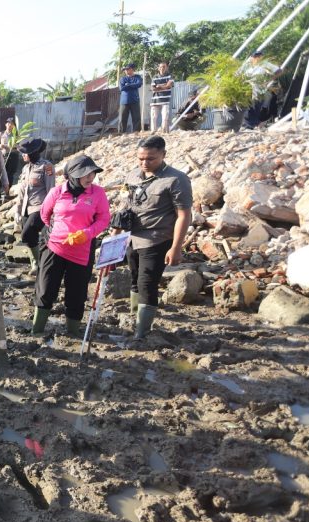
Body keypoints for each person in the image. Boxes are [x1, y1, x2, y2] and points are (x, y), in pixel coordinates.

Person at [117, 136, 193, 339]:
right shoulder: (133, 175)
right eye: (141, 158)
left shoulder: (176, 179)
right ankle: (135, 318)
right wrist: (116, 235)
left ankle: (142, 333)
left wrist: (176, 247)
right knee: (134, 279)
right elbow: (125, 205)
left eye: (150, 159)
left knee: (147, 284)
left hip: (157, 239)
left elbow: (184, 215)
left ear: (163, 155)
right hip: (132, 237)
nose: (144, 163)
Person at [32, 156, 110, 337]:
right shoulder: (57, 191)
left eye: (92, 173)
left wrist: (87, 233)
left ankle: (73, 332)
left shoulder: (98, 193)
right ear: (72, 175)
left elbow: (104, 219)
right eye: (85, 174)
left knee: (77, 292)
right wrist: (54, 231)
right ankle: (37, 330)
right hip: (54, 248)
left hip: (82, 251)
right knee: (45, 288)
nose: (90, 177)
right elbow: (45, 214)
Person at [15, 138, 56, 275]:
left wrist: (50, 211)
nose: (23, 155)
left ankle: (40, 263)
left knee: (26, 234)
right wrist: (18, 211)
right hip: (26, 208)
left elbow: (51, 190)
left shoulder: (47, 166)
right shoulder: (25, 168)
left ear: (32, 153)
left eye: (24, 153)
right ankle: (36, 264)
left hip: (40, 208)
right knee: (29, 237)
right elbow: (21, 192)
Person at [242, 50, 282, 129]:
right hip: (247, 89)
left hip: (259, 89)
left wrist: (269, 80)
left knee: (256, 106)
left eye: (259, 56)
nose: (257, 58)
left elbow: (279, 71)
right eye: (255, 56)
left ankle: (253, 124)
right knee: (247, 107)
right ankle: (247, 125)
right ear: (252, 57)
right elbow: (238, 74)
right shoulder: (247, 65)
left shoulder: (265, 64)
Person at [150, 62, 174, 134]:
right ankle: (153, 130)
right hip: (155, 100)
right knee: (153, 116)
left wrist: (159, 86)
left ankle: (164, 131)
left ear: (166, 68)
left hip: (165, 100)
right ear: (158, 68)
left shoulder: (170, 76)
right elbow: (153, 88)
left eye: (164, 67)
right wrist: (164, 86)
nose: (162, 68)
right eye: (160, 67)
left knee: (165, 116)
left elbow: (169, 86)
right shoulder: (155, 77)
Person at [119, 64, 142, 133]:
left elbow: (139, 84)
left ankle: (136, 132)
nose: (126, 71)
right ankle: (122, 133)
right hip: (124, 101)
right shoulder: (123, 78)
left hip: (135, 100)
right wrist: (133, 85)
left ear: (132, 69)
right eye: (125, 70)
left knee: (136, 118)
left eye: (127, 69)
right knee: (123, 118)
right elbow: (122, 88)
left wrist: (128, 85)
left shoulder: (137, 77)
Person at [0, 118, 21, 183]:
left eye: (12, 123)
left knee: (10, 174)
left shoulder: (16, 135)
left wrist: (7, 146)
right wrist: (0, 145)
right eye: (8, 123)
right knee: (1, 173)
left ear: (13, 126)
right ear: (5, 124)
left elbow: (17, 145)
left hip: (13, 156)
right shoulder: (1, 133)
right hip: (3, 156)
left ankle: (8, 188)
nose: (10, 125)